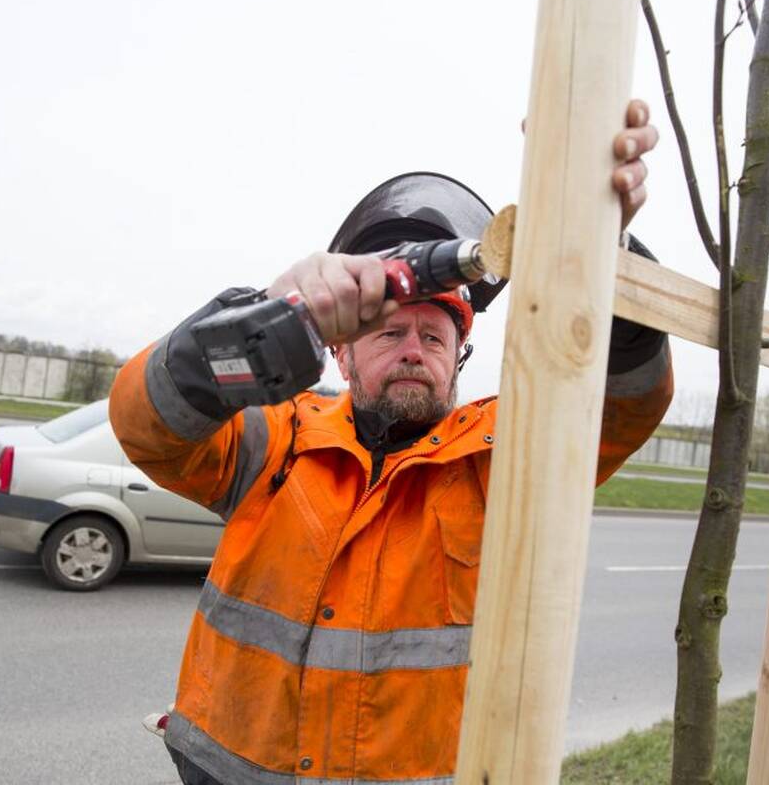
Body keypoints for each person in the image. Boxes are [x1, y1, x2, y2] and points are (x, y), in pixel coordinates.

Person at [110, 101, 672, 785]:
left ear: (458, 359)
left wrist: (598, 248)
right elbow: (146, 427)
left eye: (433, 336)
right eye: (389, 333)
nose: (413, 350)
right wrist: (247, 327)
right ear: (342, 356)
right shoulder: (277, 440)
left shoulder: (504, 460)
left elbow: (621, 407)